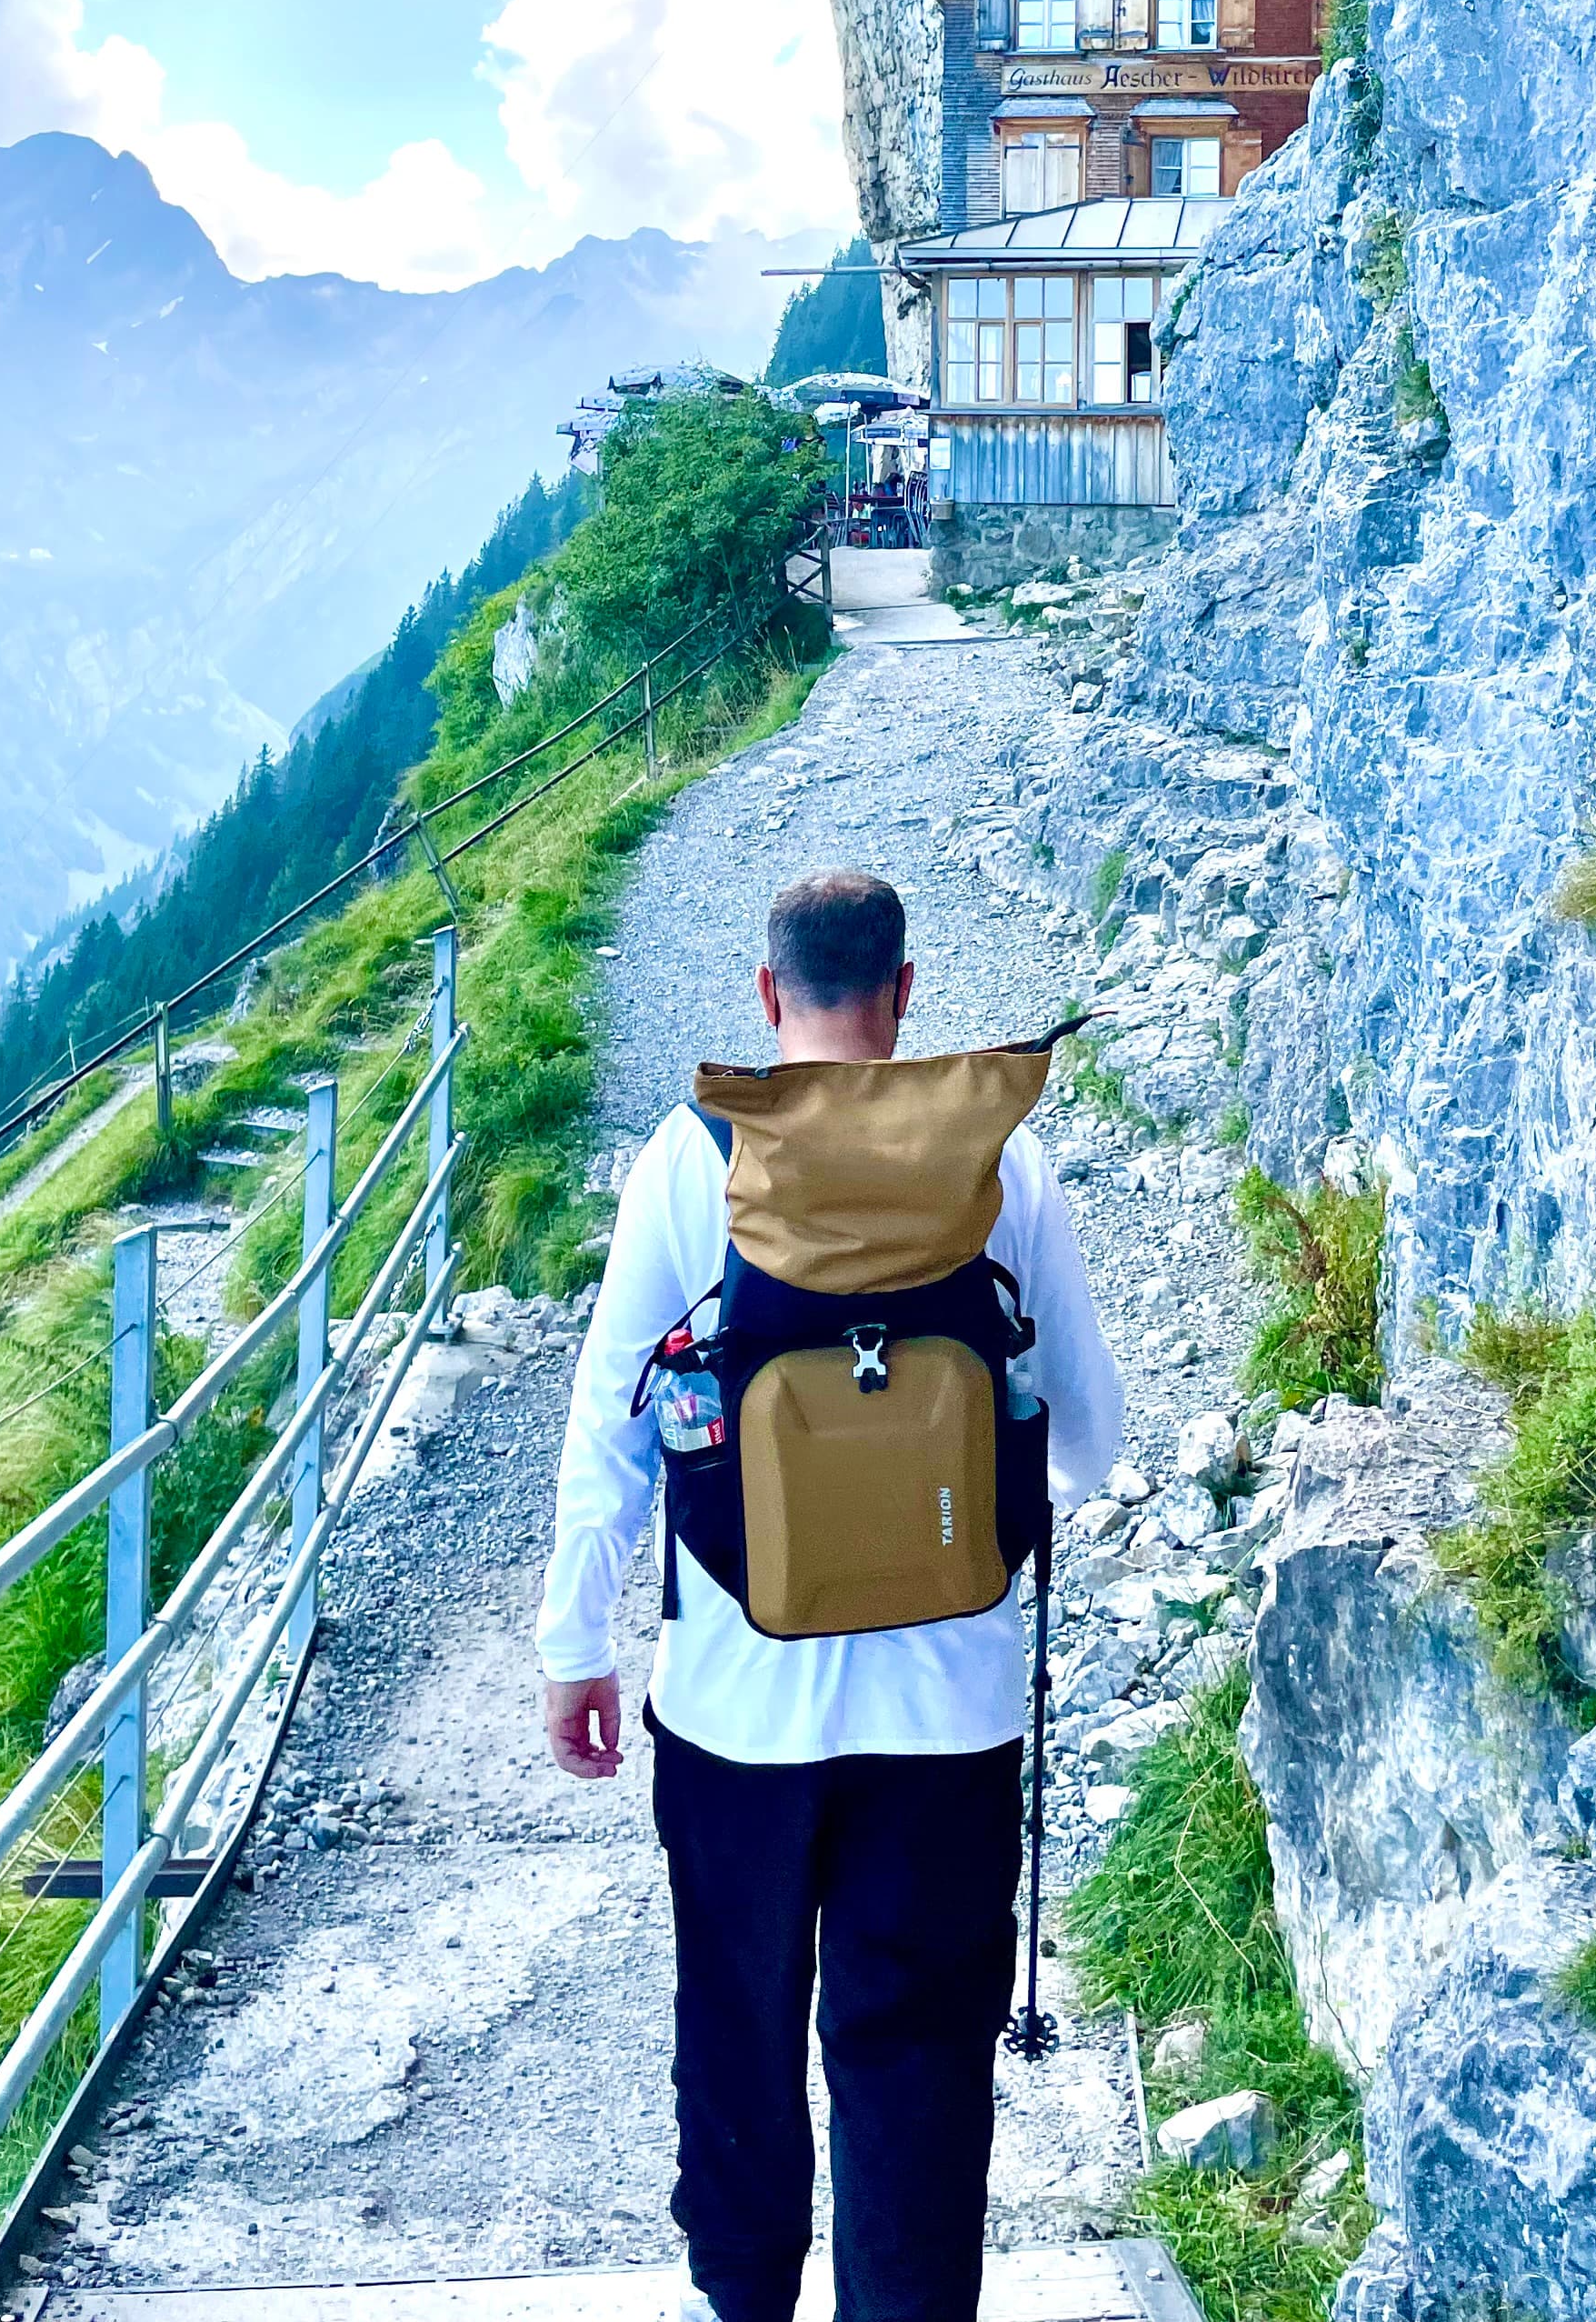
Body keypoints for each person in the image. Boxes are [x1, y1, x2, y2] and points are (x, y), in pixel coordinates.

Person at [538, 868, 1123, 2322]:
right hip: (950, 1715)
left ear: (765, 996)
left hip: (739, 1709)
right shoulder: (1001, 1166)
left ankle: (739, 2299)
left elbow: (612, 1418)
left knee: (736, 2027)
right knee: (917, 2050)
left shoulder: (689, 1161)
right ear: (905, 992)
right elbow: (1094, 1443)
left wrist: (576, 1643)